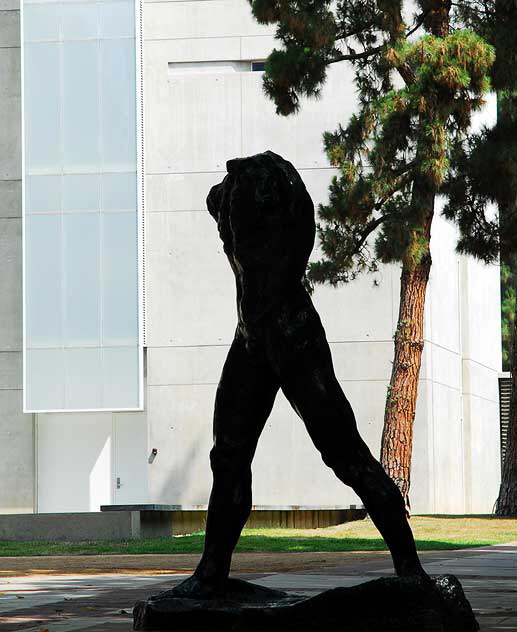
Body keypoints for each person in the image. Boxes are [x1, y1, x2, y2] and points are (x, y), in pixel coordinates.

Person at [153, 151, 427, 600]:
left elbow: (258, 221)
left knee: (345, 453)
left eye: (239, 202)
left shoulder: (277, 220)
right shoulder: (238, 203)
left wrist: (240, 191)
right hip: (252, 337)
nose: (229, 219)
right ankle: (211, 572)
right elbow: (214, 199)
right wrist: (230, 189)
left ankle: (410, 568)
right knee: (229, 457)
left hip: (292, 333)